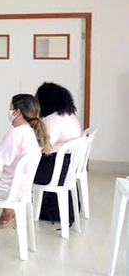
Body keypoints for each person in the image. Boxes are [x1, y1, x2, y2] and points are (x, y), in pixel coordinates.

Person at [0, 94, 50, 228]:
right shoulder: (31, 132)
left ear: (17, 112)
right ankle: (8, 211)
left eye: (10, 107)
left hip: (5, 189)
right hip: (21, 188)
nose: (9, 111)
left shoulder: (16, 134)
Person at [33, 82, 82, 222]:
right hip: (67, 167)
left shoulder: (54, 119)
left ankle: (13, 205)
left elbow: (43, 145)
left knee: (19, 166)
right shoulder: (69, 115)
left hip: (54, 168)